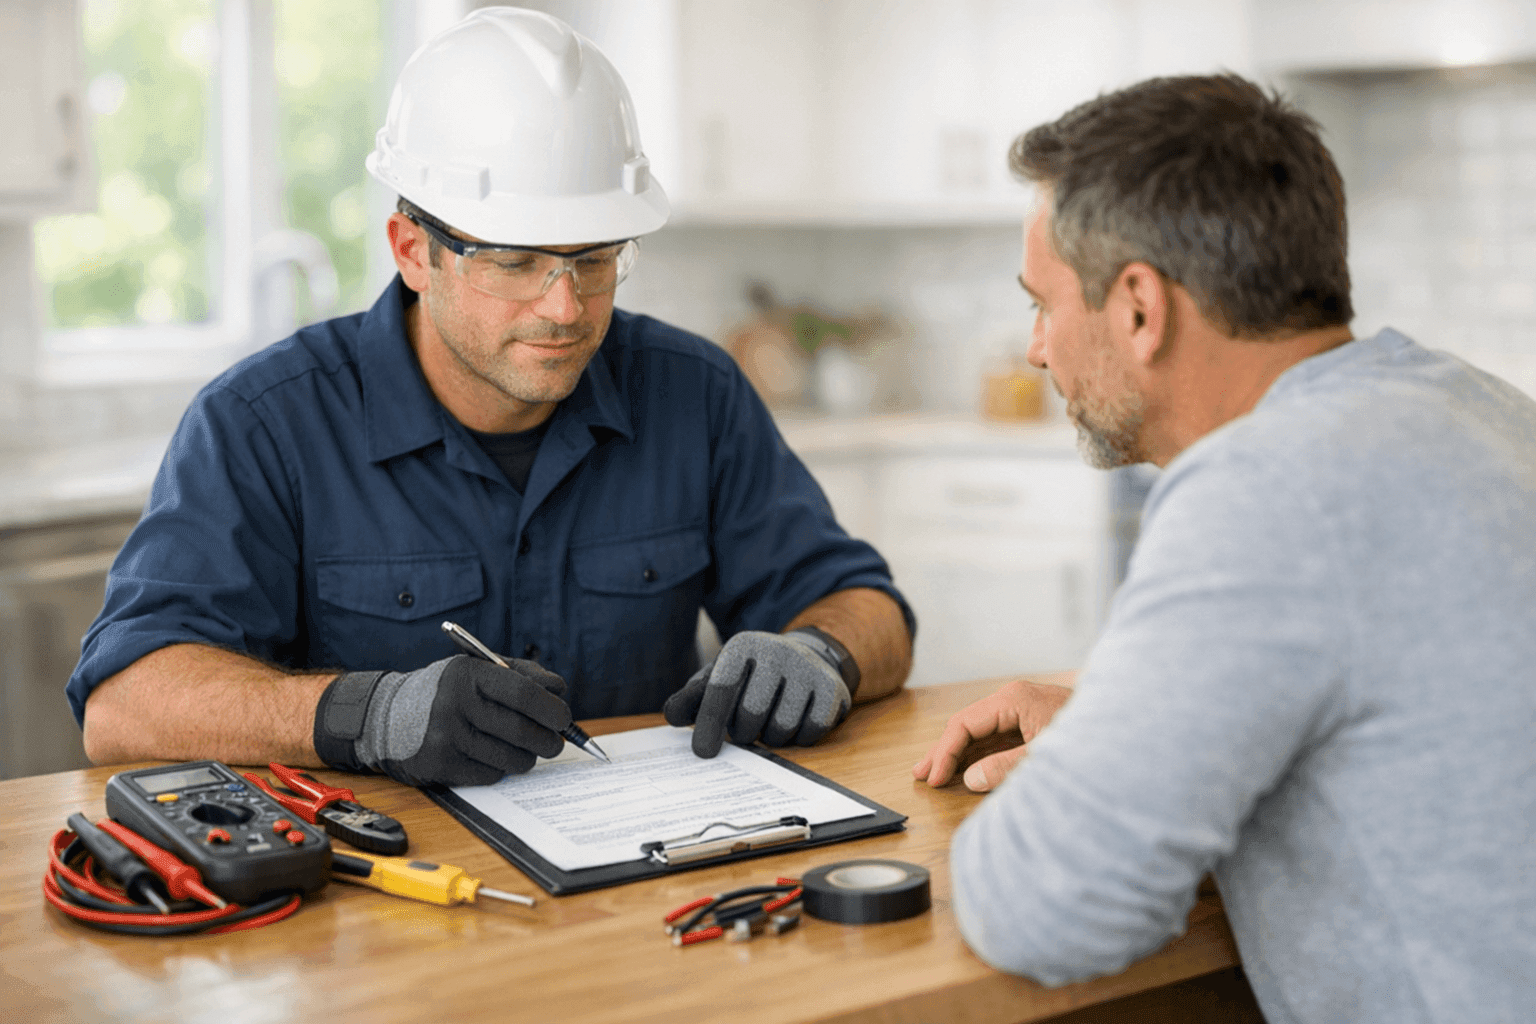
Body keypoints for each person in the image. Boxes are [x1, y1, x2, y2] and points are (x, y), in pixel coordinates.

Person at [70, 7, 913, 787]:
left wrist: (821, 651)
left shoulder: (693, 391)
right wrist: (366, 715)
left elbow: (867, 607)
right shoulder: (263, 423)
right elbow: (126, 701)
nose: (565, 306)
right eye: (514, 262)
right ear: (411, 249)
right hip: (373, 905)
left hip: (644, 874)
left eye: (594, 259)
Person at [912, 73, 1536, 1023]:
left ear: (1137, 308)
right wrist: (1128, 719)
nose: (1036, 350)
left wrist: (1094, 766)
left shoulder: (1267, 483)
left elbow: (1048, 907)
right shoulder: (1479, 405)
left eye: (1042, 303)